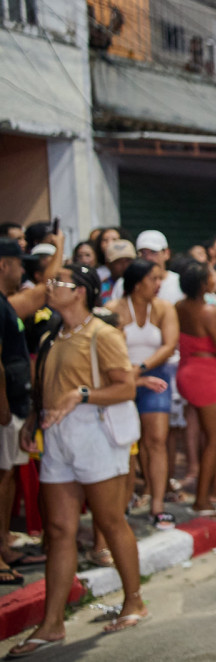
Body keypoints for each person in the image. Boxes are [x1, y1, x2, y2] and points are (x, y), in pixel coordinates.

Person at [10, 264, 148, 656]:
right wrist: (35, 418)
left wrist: (81, 395)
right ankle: (52, 624)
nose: (50, 287)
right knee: (57, 529)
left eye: (59, 283)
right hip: (56, 435)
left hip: (94, 433)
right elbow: (47, 386)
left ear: (81, 292)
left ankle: (134, 598)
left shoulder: (102, 334)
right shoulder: (54, 334)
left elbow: (125, 388)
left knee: (108, 519)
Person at [106, 260, 179, 529]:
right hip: (122, 380)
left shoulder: (163, 308)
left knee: (157, 439)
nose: (159, 284)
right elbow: (106, 348)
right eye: (154, 279)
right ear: (137, 284)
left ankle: (157, 504)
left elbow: (170, 345)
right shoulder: (112, 310)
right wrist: (131, 375)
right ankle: (123, 503)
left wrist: (143, 368)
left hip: (155, 376)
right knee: (126, 443)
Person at [175, 262, 216, 516]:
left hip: (189, 371)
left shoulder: (179, 306)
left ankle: (215, 491)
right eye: (211, 276)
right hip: (204, 377)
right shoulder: (208, 311)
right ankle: (202, 499)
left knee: (208, 435)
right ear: (203, 284)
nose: (215, 278)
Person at [0, 240, 39, 584]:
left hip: (12, 404)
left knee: (7, 476)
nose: (22, 270)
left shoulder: (5, 303)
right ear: (3, 265)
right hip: (4, 407)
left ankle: (5, 548)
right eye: (18, 264)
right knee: (1, 478)